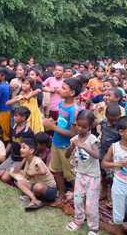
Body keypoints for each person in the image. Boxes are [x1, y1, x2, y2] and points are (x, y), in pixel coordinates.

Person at [42, 77, 82, 206]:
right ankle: (62, 196)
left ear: (72, 93)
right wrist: (52, 123)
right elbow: (61, 124)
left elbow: (72, 133)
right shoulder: (61, 104)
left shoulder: (75, 110)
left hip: (66, 147)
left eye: (63, 88)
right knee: (57, 171)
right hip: (56, 143)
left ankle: (79, 200)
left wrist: (52, 127)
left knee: (71, 176)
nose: (59, 89)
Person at [65, 110, 101, 235]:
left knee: (91, 203)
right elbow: (67, 156)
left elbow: (97, 155)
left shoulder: (92, 139)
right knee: (78, 200)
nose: (80, 128)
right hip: (80, 174)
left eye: (84, 127)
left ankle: (93, 227)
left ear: (90, 127)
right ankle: (78, 220)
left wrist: (85, 146)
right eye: (78, 125)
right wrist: (72, 147)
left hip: (93, 176)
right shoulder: (74, 139)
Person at [13, 138, 58, 210]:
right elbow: (26, 176)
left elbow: (43, 171)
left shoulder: (37, 160)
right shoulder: (28, 161)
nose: (21, 149)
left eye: (24, 147)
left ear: (31, 151)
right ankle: (34, 199)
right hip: (36, 185)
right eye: (21, 147)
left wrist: (32, 173)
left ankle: (34, 198)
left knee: (37, 187)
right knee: (20, 182)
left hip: (50, 190)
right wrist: (18, 172)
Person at [0, 106, 34, 184]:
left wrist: (20, 165)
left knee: (4, 178)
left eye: (16, 116)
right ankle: (9, 171)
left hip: (20, 160)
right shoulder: (13, 127)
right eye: (14, 115)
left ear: (24, 118)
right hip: (11, 157)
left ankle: (17, 178)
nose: (14, 117)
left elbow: (29, 153)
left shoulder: (28, 132)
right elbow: (10, 143)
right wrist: (3, 155)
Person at [98, 103, 123, 201]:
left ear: (120, 116)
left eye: (116, 120)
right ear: (106, 115)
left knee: (113, 176)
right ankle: (104, 190)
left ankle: (112, 194)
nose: (113, 122)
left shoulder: (121, 127)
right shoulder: (104, 122)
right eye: (111, 120)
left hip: (115, 155)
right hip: (103, 152)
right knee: (103, 174)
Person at [0, 69, 12, 142]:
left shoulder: (0, 87)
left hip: (2, 110)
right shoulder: (7, 85)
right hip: (7, 110)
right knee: (6, 128)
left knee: (3, 129)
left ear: (3, 76)